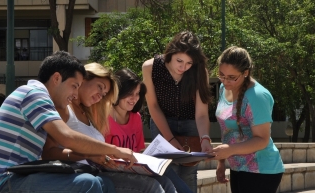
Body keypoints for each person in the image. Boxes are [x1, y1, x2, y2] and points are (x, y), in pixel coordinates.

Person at [0, 51, 137, 193]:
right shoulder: (34, 94)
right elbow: (66, 136)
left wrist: (91, 154)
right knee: (87, 184)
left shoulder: (40, 97)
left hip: (19, 177)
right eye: (74, 86)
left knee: (106, 184)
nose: (75, 95)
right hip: (1, 183)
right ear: (56, 78)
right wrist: (116, 150)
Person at [42, 63, 177, 193]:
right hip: (84, 176)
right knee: (150, 186)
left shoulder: (89, 115)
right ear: (84, 79)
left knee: (164, 181)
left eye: (104, 93)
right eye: (100, 87)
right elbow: (48, 153)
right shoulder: (65, 108)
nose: (100, 95)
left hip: (102, 172)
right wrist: (89, 154)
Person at [142, 31, 213, 192]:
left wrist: (205, 139)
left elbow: (201, 113)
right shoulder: (150, 67)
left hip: (191, 123)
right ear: (170, 53)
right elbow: (153, 106)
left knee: (189, 172)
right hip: (162, 121)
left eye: (189, 63)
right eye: (179, 60)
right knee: (168, 172)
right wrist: (171, 139)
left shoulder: (199, 71)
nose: (183, 67)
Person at [210, 46, 284, 193]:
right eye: (222, 75)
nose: (225, 81)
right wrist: (221, 162)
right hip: (238, 167)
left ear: (246, 73)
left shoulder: (257, 96)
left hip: (261, 170)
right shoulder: (224, 89)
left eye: (232, 77)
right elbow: (228, 130)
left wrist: (230, 150)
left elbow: (262, 139)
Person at [106, 68, 192, 193]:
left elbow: (138, 151)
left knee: (166, 179)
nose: (134, 99)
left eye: (137, 94)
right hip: (110, 171)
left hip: (131, 168)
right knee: (151, 185)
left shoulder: (135, 117)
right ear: (118, 91)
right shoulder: (103, 116)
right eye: (130, 93)